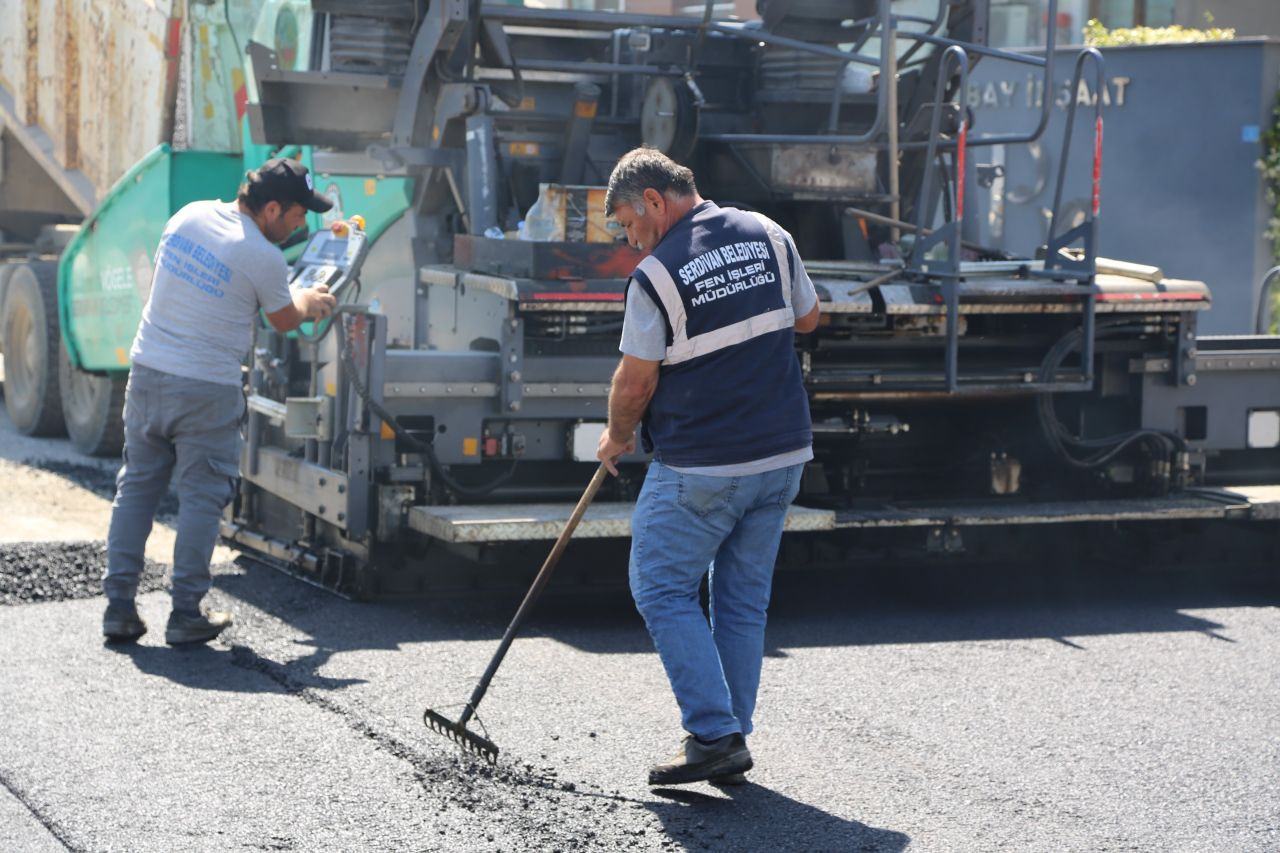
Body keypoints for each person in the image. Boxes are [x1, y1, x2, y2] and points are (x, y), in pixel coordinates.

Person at [596, 148, 821, 785]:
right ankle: (730, 737)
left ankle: (713, 733)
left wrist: (616, 437)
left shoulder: (656, 276)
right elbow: (809, 317)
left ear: (654, 202)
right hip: (782, 456)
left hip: (705, 465)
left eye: (627, 224)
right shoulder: (769, 234)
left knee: (661, 588)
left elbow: (636, 382)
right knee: (742, 602)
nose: (630, 239)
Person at [102, 158, 337, 645]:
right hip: (205, 389)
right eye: (297, 215)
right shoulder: (264, 256)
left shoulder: (187, 216)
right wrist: (310, 302)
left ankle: (119, 608)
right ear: (272, 208)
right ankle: (185, 613)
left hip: (147, 374)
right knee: (201, 499)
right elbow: (285, 320)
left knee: (137, 490)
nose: (302, 225)